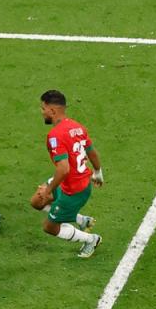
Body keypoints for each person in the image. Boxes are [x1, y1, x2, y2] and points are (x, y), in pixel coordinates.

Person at [30, 90, 104, 258]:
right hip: (70, 182)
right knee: (36, 202)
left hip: (74, 191)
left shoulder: (54, 135)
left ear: (52, 110)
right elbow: (91, 152)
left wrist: (48, 190)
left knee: (50, 227)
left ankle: (91, 239)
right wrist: (98, 172)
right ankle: (82, 220)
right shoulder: (77, 127)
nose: (42, 112)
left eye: (43, 108)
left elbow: (64, 169)